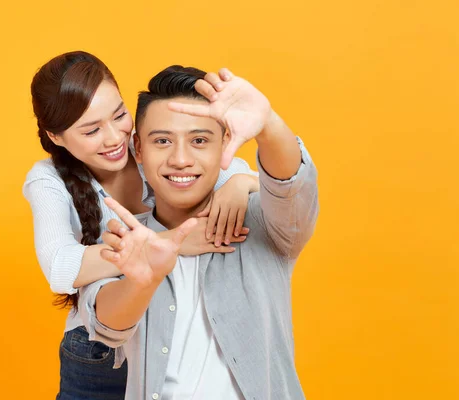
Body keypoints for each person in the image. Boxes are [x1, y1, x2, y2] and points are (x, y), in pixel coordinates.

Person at [23, 52, 259, 399]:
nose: (113, 137)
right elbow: (59, 268)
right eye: (91, 130)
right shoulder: (47, 180)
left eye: (119, 115)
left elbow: (236, 168)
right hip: (99, 354)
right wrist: (168, 243)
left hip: (173, 342)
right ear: (56, 137)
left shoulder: (152, 148)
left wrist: (240, 183)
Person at [79, 65, 319, 400]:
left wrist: (268, 126)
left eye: (199, 140)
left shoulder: (261, 222)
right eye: (162, 140)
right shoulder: (127, 237)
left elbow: (292, 188)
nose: (180, 159)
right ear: (138, 149)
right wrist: (142, 281)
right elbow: (107, 327)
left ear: (224, 144)